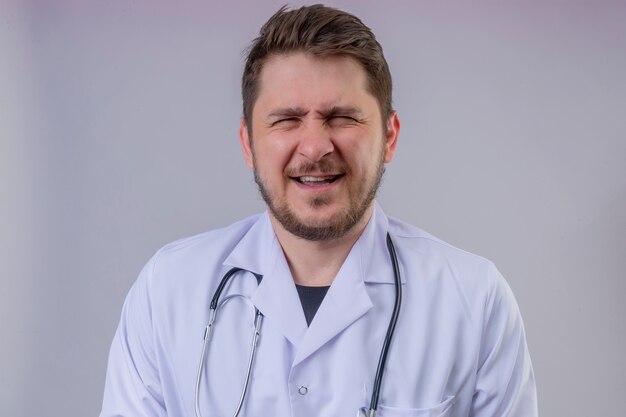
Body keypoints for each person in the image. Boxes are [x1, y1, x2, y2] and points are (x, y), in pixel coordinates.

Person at [100, 5, 538, 417]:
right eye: (287, 119)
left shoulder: (474, 300)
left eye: (342, 117)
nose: (314, 146)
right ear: (248, 143)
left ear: (389, 136)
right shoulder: (167, 291)